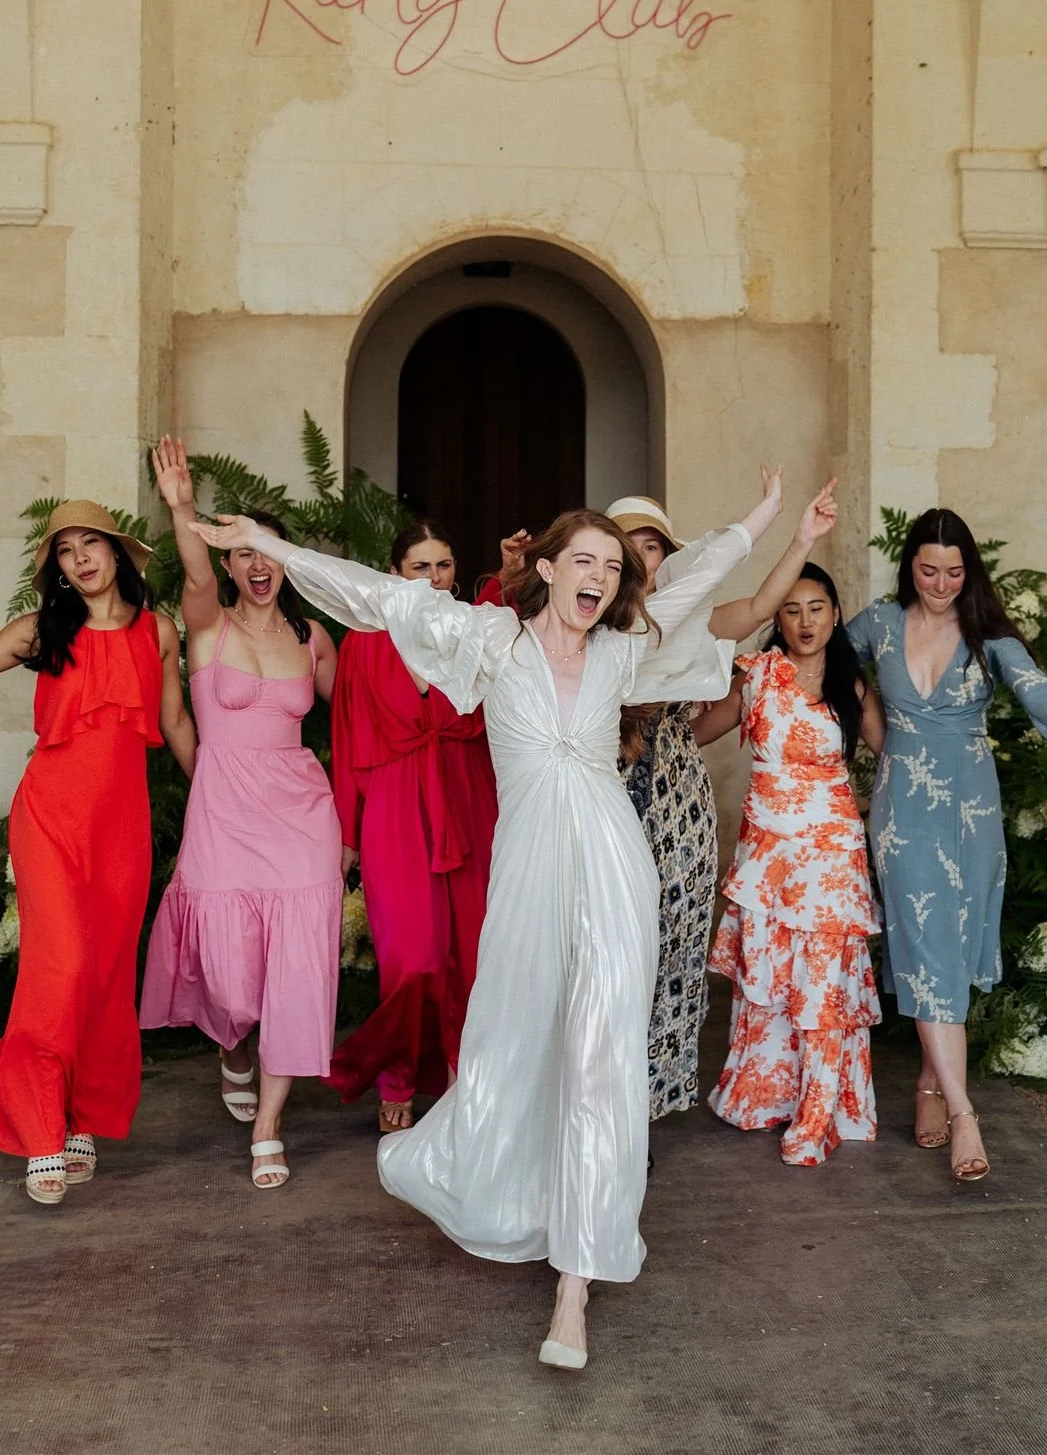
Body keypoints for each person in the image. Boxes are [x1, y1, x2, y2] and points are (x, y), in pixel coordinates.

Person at [192, 479, 780, 1371]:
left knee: (597, 1053)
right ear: (545, 568)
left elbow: (695, 585)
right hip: (528, 877)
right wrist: (276, 553)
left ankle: (575, 1285)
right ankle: (495, 1183)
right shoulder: (490, 641)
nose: (597, 575)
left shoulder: (623, 650)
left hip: (616, 872)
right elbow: (374, 594)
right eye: (582, 558)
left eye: (611, 567)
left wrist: (761, 520)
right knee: (515, 1043)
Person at [0, 500, 194, 1203]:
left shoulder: (157, 631)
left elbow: (178, 722)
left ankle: (83, 1118)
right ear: (58, 571)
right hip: (49, 820)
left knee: (102, 975)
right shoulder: (41, 630)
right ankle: (40, 1127)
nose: (79, 559)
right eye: (64, 551)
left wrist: (224, 798)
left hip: (121, 831)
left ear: (117, 553)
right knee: (58, 966)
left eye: (89, 543)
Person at [846, 508, 1047, 1182]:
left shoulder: (987, 635)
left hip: (972, 813)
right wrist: (863, 708)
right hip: (904, 815)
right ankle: (962, 1112)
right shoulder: (878, 624)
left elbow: (1038, 692)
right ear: (907, 567)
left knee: (949, 946)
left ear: (968, 571)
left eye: (953, 571)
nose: (941, 584)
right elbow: (824, 655)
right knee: (921, 944)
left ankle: (926, 1080)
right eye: (928, 570)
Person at [607, 476, 848, 1127]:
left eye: (652, 547)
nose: (640, 559)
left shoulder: (698, 621)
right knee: (608, 944)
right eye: (625, 548)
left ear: (668, 557)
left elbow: (767, 603)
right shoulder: (583, 624)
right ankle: (597, 1094)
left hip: (675, 798)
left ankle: (650, 1098)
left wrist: (799, 535)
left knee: (674, 941)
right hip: (600, 792)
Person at [139, 438, 339, 1191]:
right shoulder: (205, 625)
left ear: (287, 561)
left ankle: (268, 1127)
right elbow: (189, 571)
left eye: (271, 551)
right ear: (228, 563)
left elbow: (360, 716)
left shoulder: (310, 637)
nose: (259, 565)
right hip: (224, 812)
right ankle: (233, 1045)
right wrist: (183, 507)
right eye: (244, 553)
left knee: (296, 968)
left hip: (301, 815)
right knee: (227, 975)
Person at [694, 561, 885, 1165]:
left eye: (817, 608)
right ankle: (767, 1094)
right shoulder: (755, 675)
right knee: (772, 980)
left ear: (835, 612)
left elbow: (898, 756)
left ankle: (819, 1112)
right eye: (791, 609)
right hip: (768, 859)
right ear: (775, 616)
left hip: (831, 860)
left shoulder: (852, 686)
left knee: (824, 984)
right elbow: (694, 733)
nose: (805, 622)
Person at [327, 518, 498, 1130]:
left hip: (469, 800)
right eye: (420, 566)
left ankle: (463, 1077)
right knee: (412, 959)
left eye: (444, 565)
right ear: (395, 573)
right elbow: (345, 742)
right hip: (396, 807)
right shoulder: (363, 642)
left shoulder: (476, 632)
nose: (434, 577)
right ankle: (396, 1073)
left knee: (472, 956)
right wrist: (347, 834)